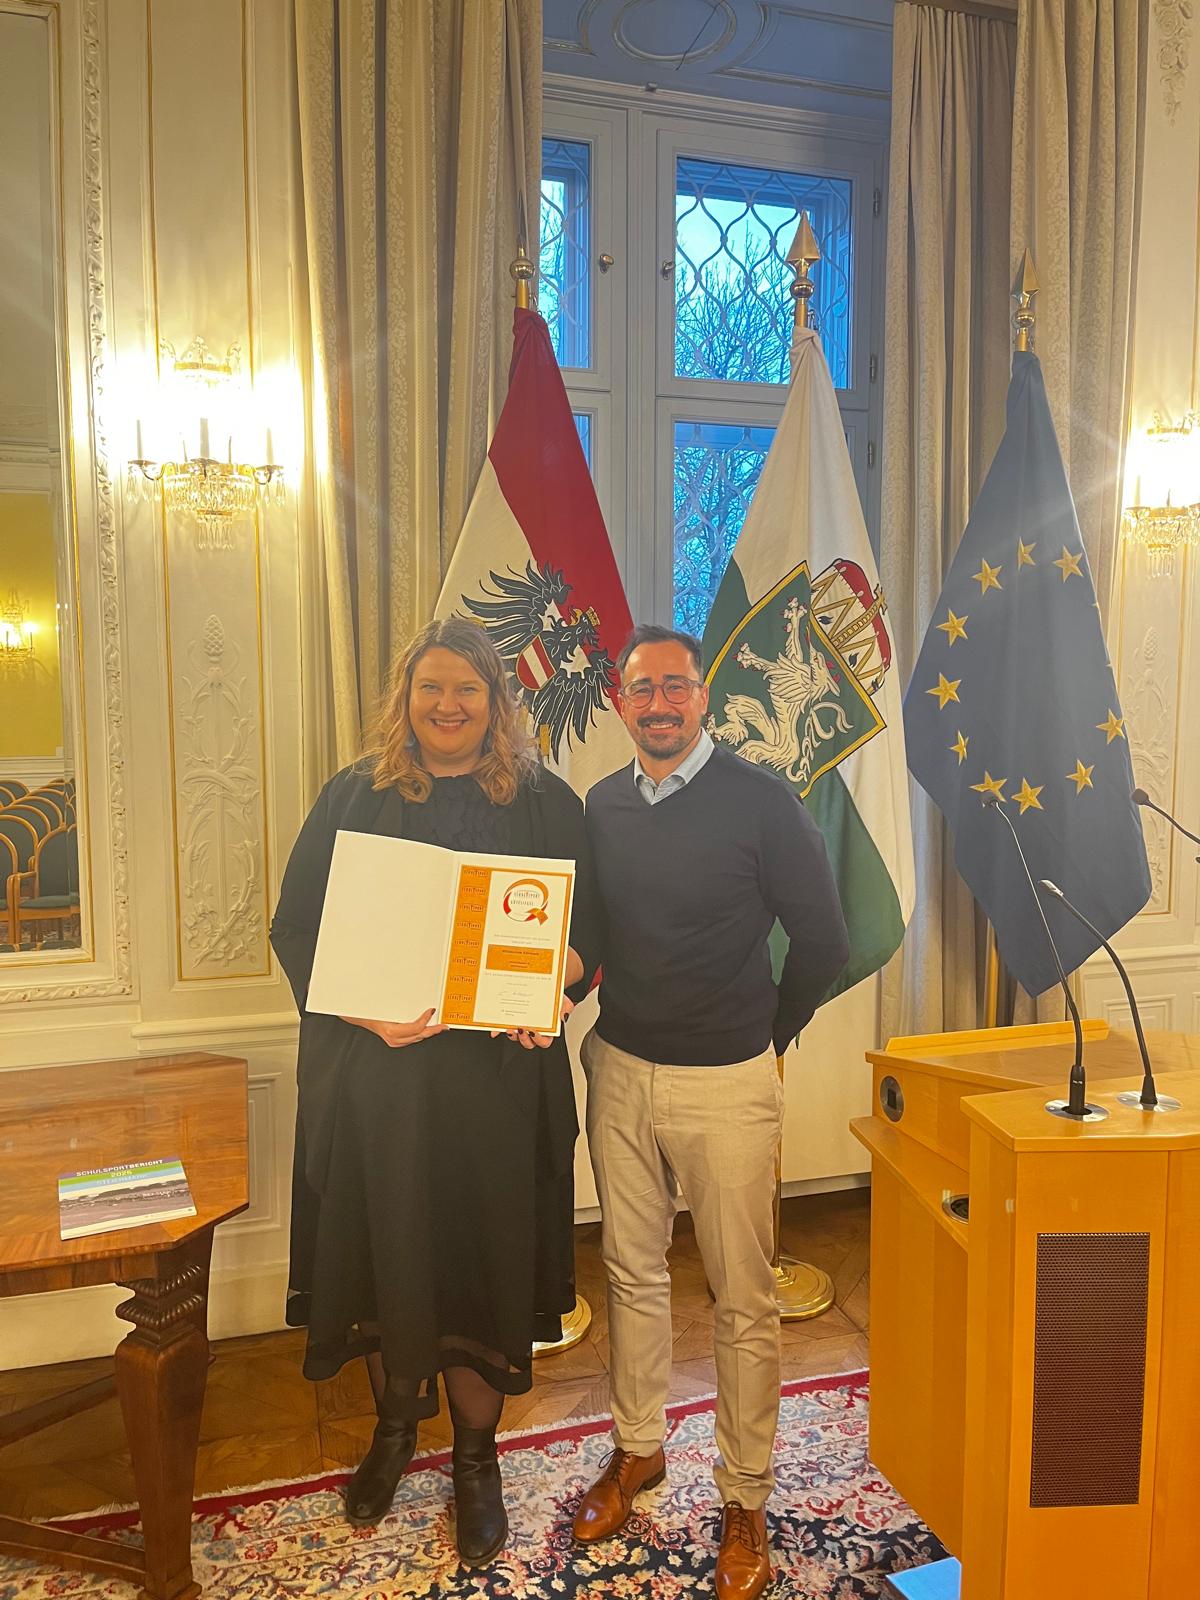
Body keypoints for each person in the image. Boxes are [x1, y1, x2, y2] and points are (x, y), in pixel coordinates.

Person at [270, 618, 596, 1567]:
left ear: (497, 701)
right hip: (381, 1084)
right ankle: (394, 1432)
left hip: (498, 1090)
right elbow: (297, 927)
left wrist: (557, 989)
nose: (447, 706)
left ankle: (476, 1460)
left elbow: (591, 929)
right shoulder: (353, 795)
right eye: (430, 688)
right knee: (388, 1250)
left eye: (467, 689)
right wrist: (361, 1008)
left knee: (480, 1256)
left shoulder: (546, 802)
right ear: (404, 698)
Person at [574, 623, 849, 1600]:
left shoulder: (764, 801)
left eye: (675, 686)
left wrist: (765, 1033)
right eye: (641, 688)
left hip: (728, 1080)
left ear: (704, 696)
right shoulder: (603, 805)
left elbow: (823, 940)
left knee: (743, 1295)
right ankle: (638, 1447)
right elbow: (592, 932)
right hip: (619, 1069)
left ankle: (744, 1496)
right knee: (631, 1270)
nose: (658, 704)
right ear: (621, 702)